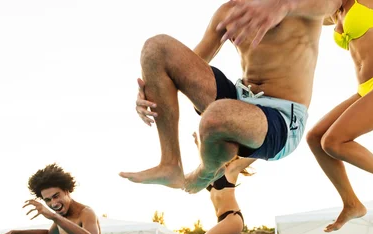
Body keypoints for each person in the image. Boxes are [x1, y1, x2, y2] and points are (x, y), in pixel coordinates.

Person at [119, 0, 341, 193]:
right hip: (240, 99)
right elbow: (183, 68)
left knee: (215, 118)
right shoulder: (229, 12)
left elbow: (336, 2)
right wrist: (151, 91)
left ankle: (207, 170)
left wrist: (284, 4)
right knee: (156, 49)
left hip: (282, 119)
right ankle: (170, 163)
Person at [305, 0, 373, 232]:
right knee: (315, 138)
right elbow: (302, 10)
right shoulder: (334, 11)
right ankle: (351, 203)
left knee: (333, 142)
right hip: (366, 89)